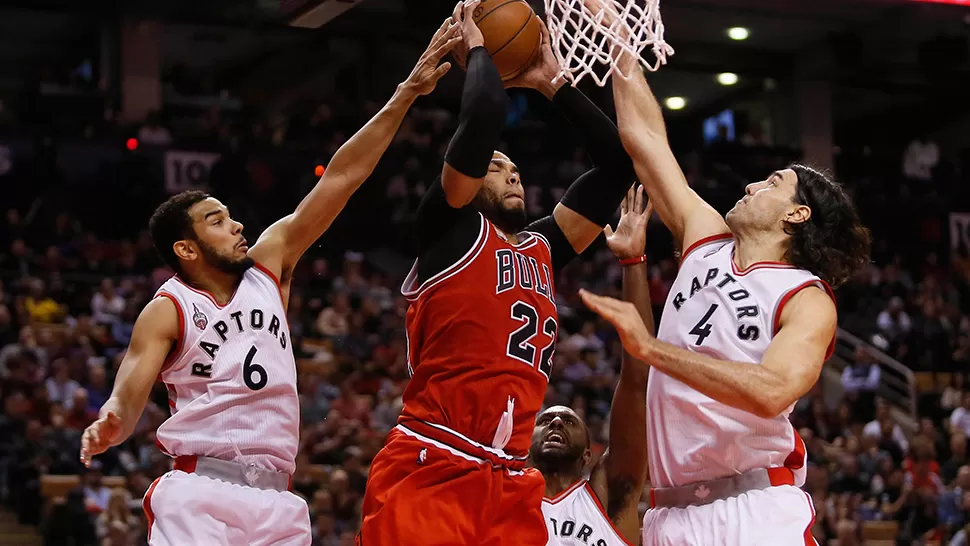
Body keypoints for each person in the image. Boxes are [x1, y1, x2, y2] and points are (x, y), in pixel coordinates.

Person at [78, 21, 462, 546]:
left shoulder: (269, 264)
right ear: (185, 250)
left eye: (230, 215)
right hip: (200, 491)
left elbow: (342, 178)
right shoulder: (170, 307)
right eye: (216, 220)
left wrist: (406, 93)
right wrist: (111, 421)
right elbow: (129, 390)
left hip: (280, 502)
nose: (236, 225)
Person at [577, 1, 872, 544]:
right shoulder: (705, 238)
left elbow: (774, 391)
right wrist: (620, 41)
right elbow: (645, 142)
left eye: (772, 183)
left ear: (797, 214)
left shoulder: (806, 297)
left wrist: (653, 348)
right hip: (669, 514)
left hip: (753, 508)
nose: (752, 185)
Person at [358, 2, 636, 544]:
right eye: (495, 166)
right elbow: (482, 115)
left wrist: (555, 84)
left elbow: (618, 166)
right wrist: (481, 50)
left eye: (516, 168)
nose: (512, 174)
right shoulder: (449, 226)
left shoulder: (542, 248)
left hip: (510, 479)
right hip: (433, 458)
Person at [535, 187, 653, 546]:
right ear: (526, 447)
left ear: (589, 454)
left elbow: (638, 379)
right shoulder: (504, 501)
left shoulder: (607, 495)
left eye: (568, 421)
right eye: (546, 420)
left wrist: (633, 263)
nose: (555, 421)